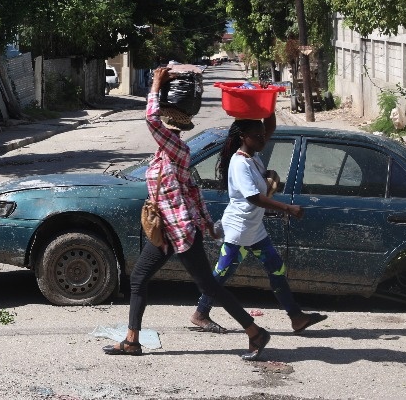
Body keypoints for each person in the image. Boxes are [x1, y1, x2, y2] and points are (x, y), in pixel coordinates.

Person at [104, 67, 271, 359]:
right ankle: (132, 340)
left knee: (208, 286)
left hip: (179, 231)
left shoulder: (175, 147)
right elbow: (192, 190)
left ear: (169, 127)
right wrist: (207, 223)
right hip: (172, 230)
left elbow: (150, 118)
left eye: (164, 126)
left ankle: (255, 332)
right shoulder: (169, 152)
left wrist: (155, 84)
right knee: (140, 279)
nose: (161, 131)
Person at [189, 115, 328, 334]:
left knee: (276, 269)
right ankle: (200, 313)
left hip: (254, 228)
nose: (263, 139)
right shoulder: (240, 163)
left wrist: (267, 105)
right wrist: (287, 208)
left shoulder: (253, 156)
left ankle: (296, 317)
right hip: (239, 229)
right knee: (222, 273)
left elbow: (269, 126)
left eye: (263, 135)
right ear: (244, 137)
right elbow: (252, 197)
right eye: (258, 136)